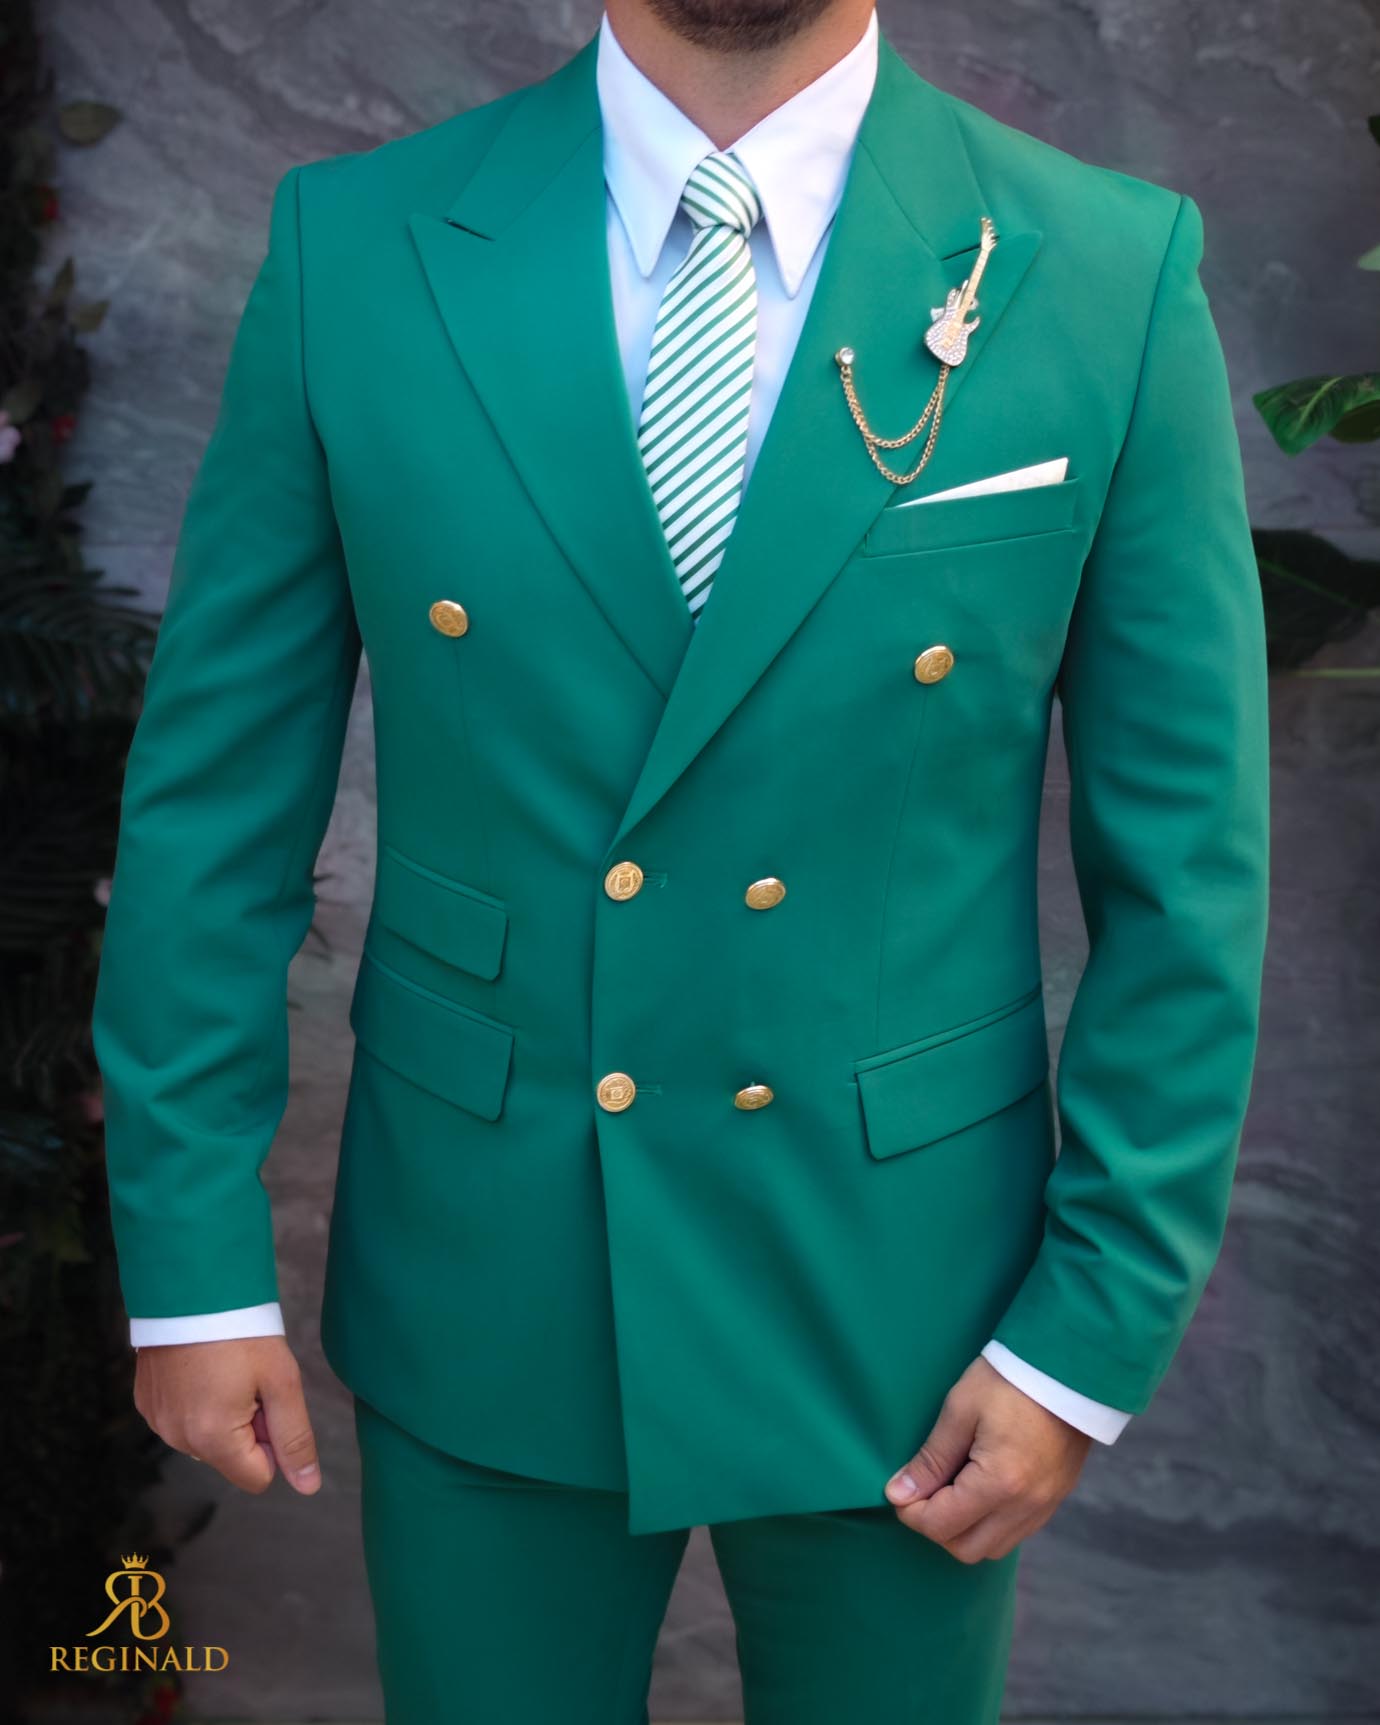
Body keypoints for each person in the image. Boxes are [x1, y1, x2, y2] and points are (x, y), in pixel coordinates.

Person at [91, 1, 1270, 1719]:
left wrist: (1090, 1334)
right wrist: (192, 1272)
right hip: (486, 1269)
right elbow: (215, 808)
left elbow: (1189, 879)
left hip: (917, 1307)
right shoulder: (356, 247)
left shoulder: (1108, 267)